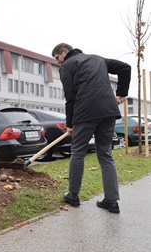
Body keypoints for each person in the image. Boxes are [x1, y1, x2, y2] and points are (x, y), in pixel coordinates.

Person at [51, 43, 131, 214]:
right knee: (105, 155)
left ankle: (73, 195)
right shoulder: (97, 59)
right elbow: (125, 68)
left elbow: (70, 96)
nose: (58, 63)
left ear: (64, 52)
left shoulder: (67, 66)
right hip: (108, 111)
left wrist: (70, 123)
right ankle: (111, 201)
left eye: (57, 58)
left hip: (85, 112)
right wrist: (121, 93)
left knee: (78, 152)